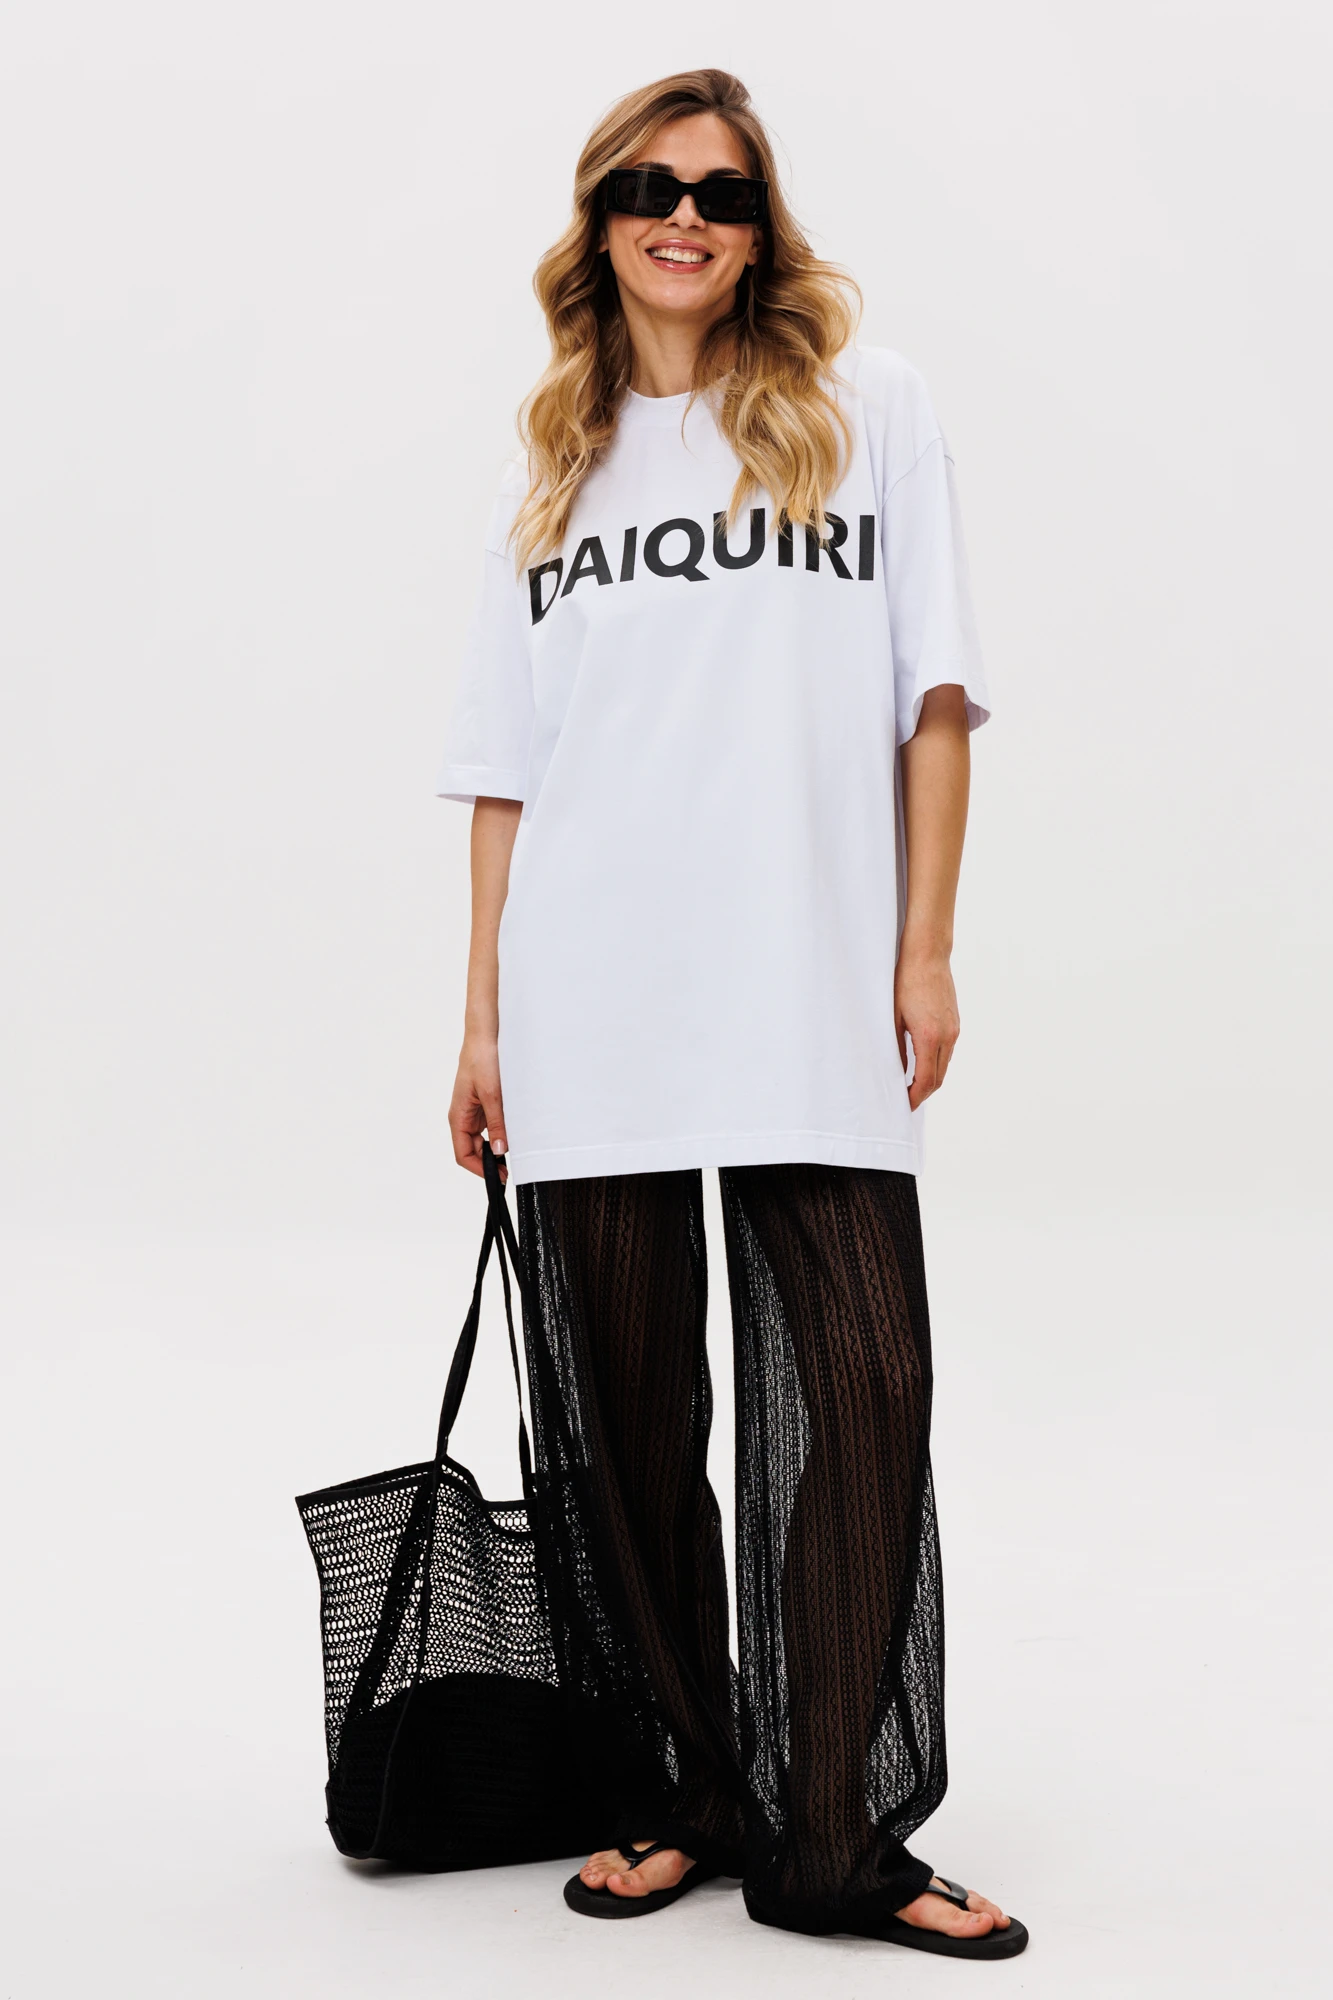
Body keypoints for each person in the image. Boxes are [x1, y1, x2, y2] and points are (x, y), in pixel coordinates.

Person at [438, 68, 1026, 1961]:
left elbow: (936, 698)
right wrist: (484, 1021)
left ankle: (834, 1829)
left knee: (863, 1384)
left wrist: (925, 949)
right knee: (625, 1418)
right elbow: (506, 774)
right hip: (591, 989)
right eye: (645, 187)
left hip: (806, 978)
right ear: (599, 222)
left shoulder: (870, 410)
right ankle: (691, 1788)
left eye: (719, 191)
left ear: (761, 226)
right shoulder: (555, 467)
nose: (681, 216)